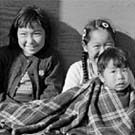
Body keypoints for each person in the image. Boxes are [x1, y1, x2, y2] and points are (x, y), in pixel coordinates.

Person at [0, 5, 63, 104]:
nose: (30, 41)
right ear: (15, 34)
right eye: (23, 34)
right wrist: (11, 105)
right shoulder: (4, 55)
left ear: (45, 34)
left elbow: (52, 90)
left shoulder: (51, 58)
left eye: (36, 34)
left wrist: (36, 106)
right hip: (6, 106)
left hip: (35, 109)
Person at [62, 19, 135, 92]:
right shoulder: (77, 70)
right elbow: (66, 99)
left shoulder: (123, 70)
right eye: (97, 46)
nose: (103, 51)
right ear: (85, 46)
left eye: (108, 45)